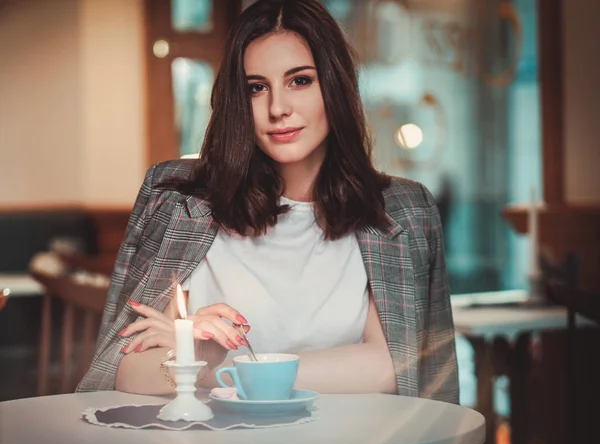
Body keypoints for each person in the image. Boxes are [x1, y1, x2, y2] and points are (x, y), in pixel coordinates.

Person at [77, 0, 459, 404]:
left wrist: (208, 365)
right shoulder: (177, 199)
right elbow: (119, 368)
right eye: (256, 88)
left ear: (336, 85)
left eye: (300, 81)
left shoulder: (404, 209)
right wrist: (201, 349)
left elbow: (390, 368)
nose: (278, 108)